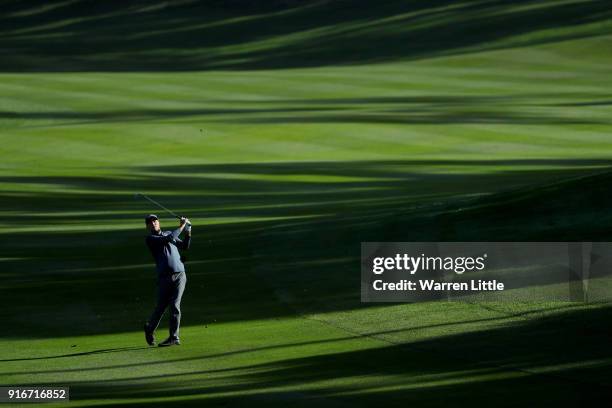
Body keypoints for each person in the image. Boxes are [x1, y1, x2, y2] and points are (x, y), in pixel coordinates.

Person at [143, 214, 191, 347]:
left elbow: (185, 246)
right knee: (161, 307)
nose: (153, 223)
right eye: (150, 222)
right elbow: (168, 238)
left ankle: (174, 337)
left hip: (180, 276)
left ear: (159, 222)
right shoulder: (151, 239)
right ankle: (149, 329)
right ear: (147, 226)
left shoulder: (170, 233)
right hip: (164, 278)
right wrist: (182, 225)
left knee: (175, 305)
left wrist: (188, 231)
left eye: (155, 221)